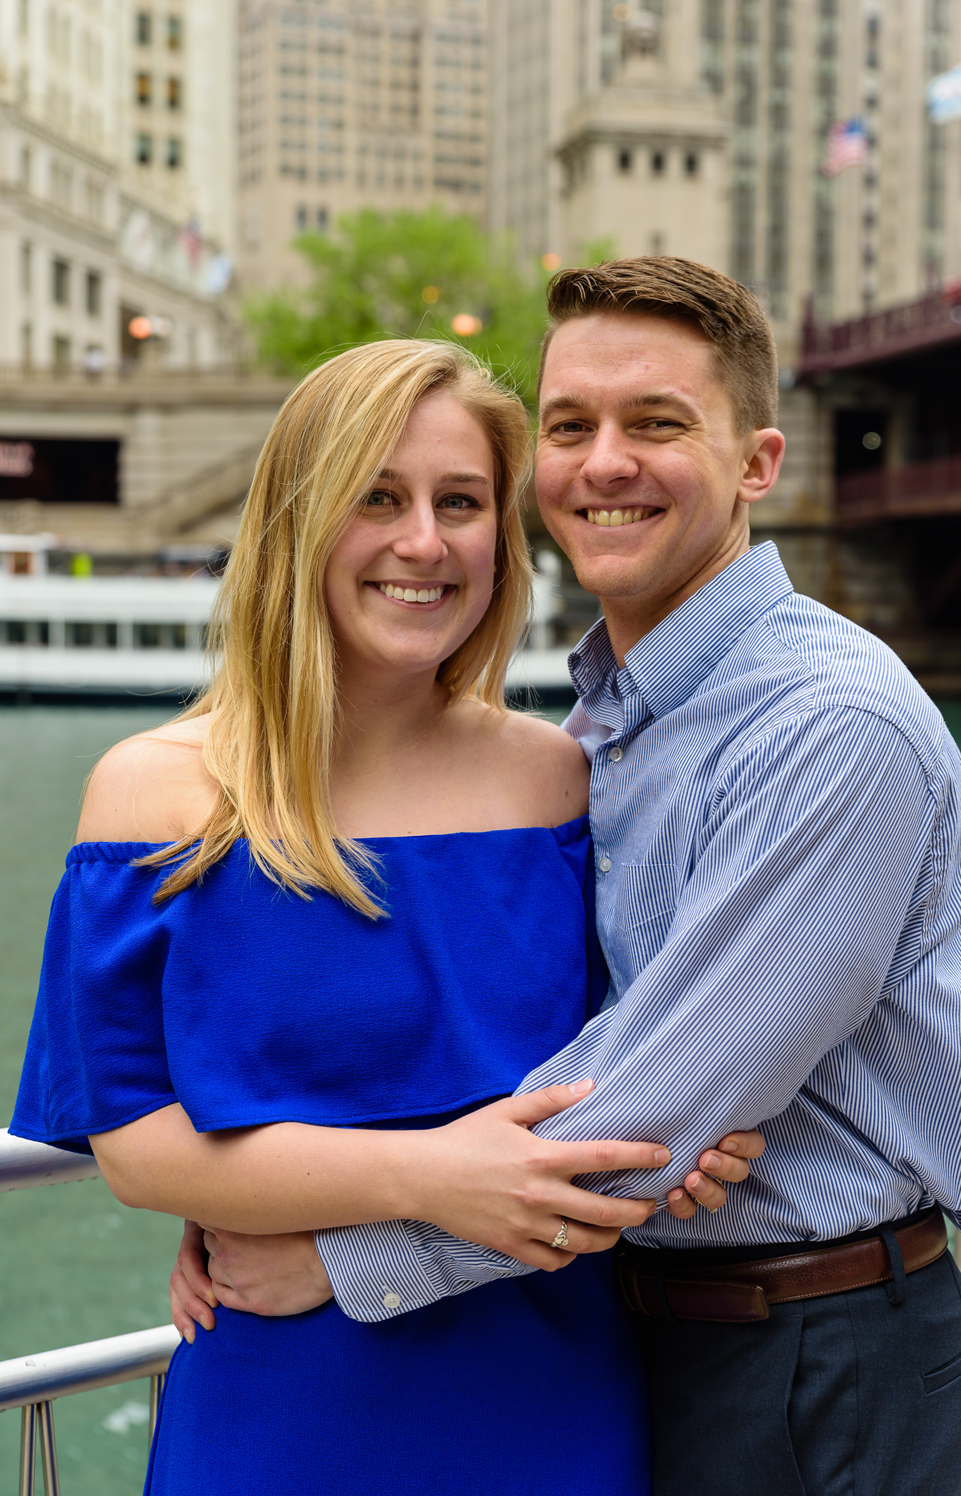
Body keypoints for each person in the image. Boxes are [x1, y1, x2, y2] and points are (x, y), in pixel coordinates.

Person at [169, 257, 961, 1496]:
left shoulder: (828, 723)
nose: (602, 463)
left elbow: (651, 1104)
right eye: (569, 425)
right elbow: (590, 1061)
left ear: (756, 463)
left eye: (655, 424)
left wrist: (333, 1249)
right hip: (628, 1325)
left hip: (821, 1355)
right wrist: (254, 1183)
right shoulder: (597, 728)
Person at [8, 336, 758, 1494]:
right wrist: (415, 1176)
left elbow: (639, 1070)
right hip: (281, 1395)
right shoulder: (152, 791)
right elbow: (138, 1145)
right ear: (296, 521)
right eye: (375, 497)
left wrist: (693, 1148)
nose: (423, 541)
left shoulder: (555, 778)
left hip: (549, 1376)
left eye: (458, 502)